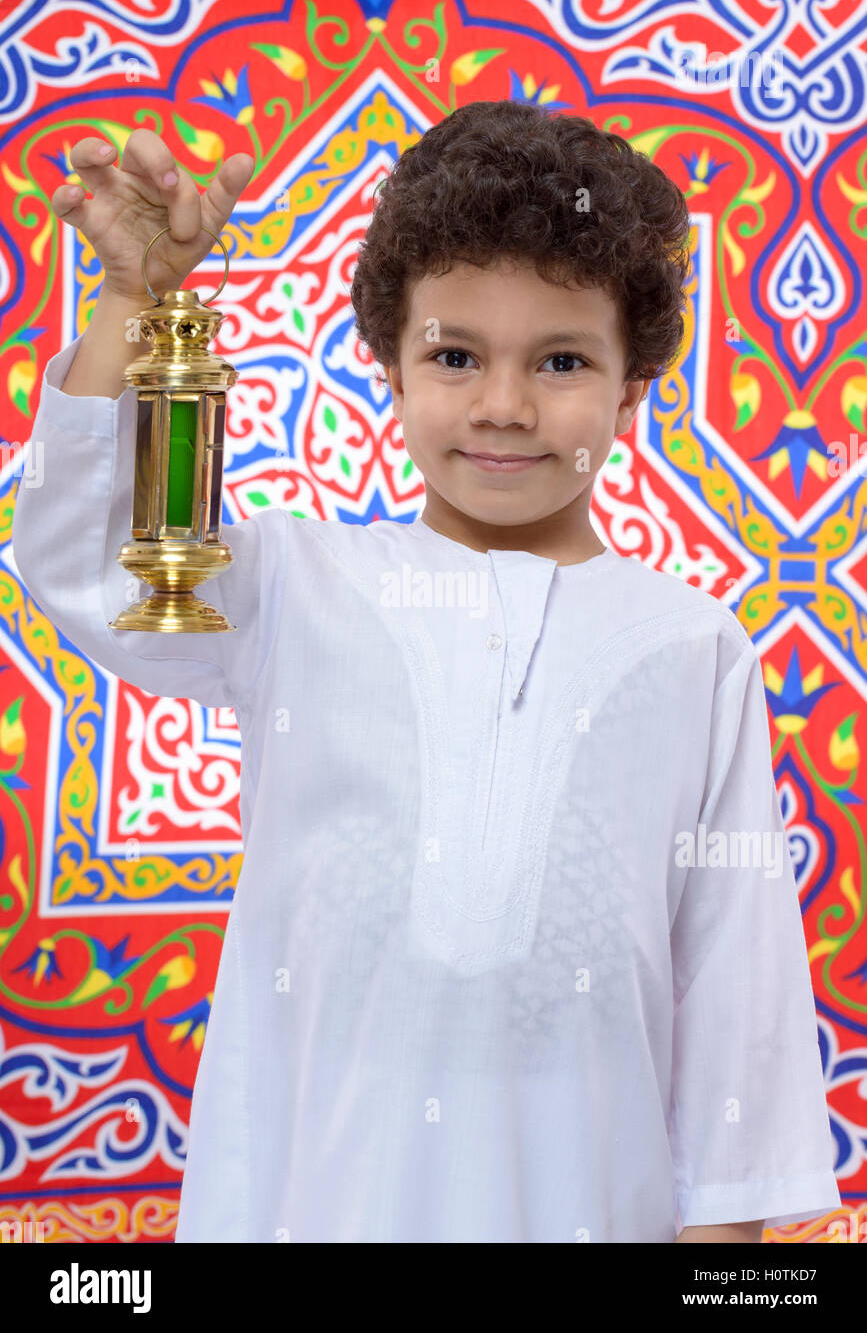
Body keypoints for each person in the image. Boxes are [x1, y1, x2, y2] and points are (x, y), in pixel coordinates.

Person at [12, 101, 840, 1243]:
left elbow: (735, 1018)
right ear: (390, 372)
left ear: (635, 383)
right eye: (455, 356)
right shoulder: (294, 582)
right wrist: (132, 302)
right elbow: (87, 568)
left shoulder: (696, 652)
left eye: (560, 360)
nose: (502, 406)